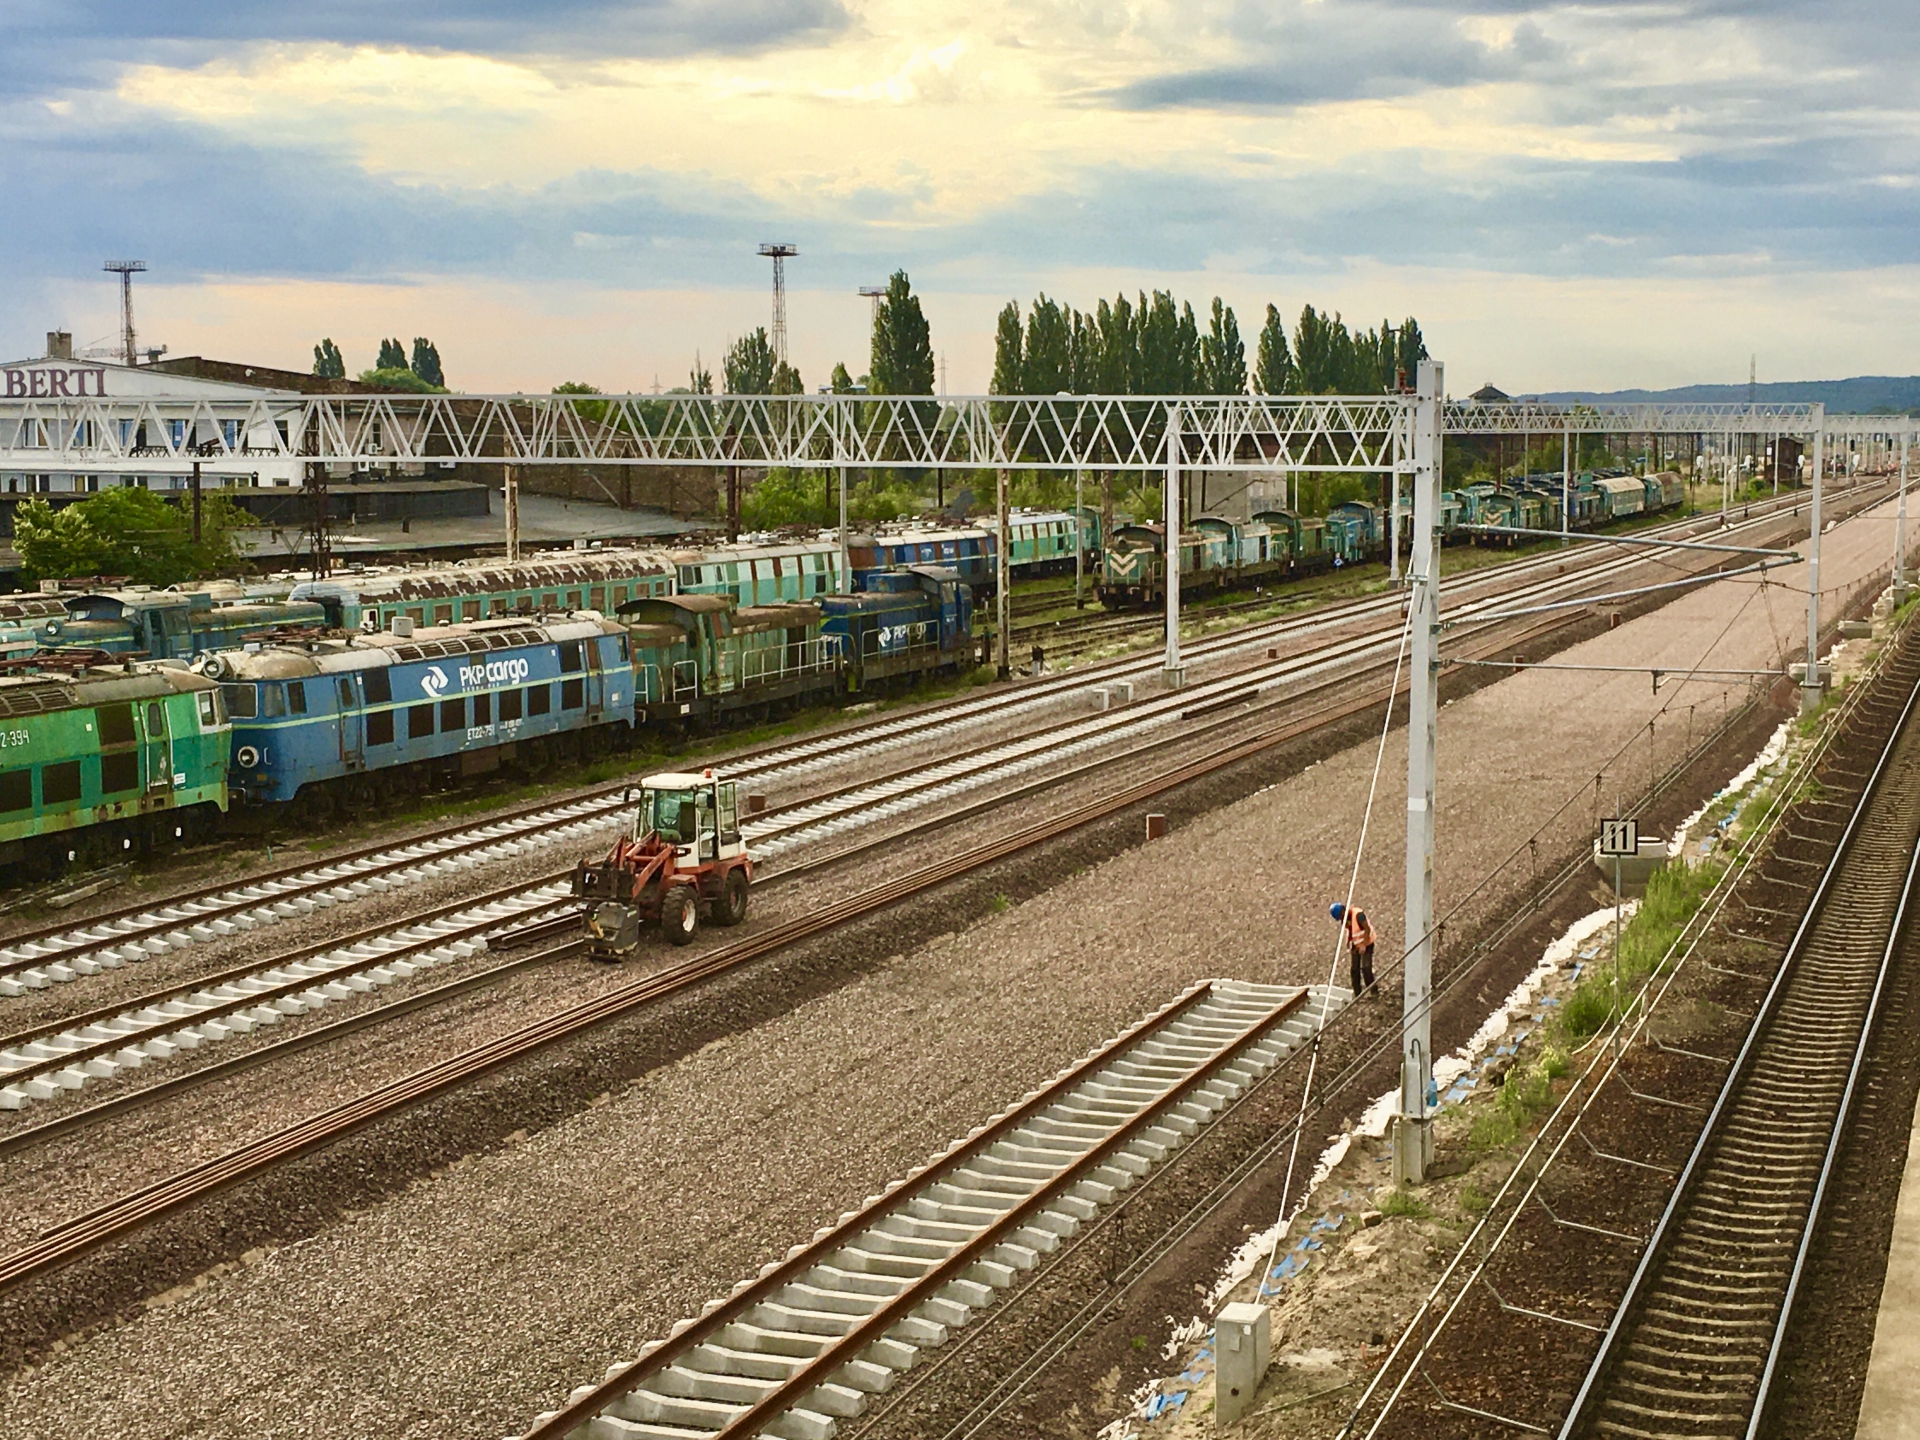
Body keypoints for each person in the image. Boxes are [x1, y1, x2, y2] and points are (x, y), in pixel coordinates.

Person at [1331, 901, 1377, 999]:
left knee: (1366, 968)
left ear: (1343, 911)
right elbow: (1352, 931)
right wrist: (1351, 944)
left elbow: (1367, 929)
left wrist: (1363, 945)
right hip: (1356, 945)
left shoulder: (1358, 915)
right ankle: (1358, 994)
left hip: (1367, 944)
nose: (1341, 919)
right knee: (1354, 969)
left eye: (1340, 916)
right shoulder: (1345, 919)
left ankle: (1374, 991)